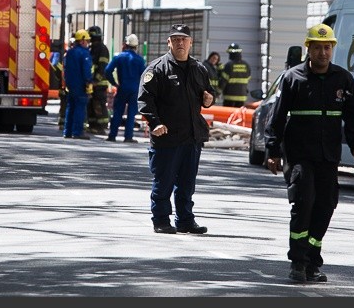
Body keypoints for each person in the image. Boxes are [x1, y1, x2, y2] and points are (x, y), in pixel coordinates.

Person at [265, 23, 354, 283]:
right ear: (308, 48)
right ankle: (298, 262)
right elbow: (276, 117)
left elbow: (353, 116)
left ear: (333, 49)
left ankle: (312, 260)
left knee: (326, 206)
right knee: (304, 202)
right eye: (318, 47)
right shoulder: (293, 78)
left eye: (327, 47)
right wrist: (272, 150)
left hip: (328, 156)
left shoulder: (343, 79)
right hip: (299, 155)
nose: (323, 53)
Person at [138, 24, 215, 234]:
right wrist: (155, 123)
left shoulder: (199, 69)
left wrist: (209, 99)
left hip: (191, 137)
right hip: (167, 137)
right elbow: (145, 100)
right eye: (176, 39)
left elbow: (208, 93)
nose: (180, 43)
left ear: (191, 42)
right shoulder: (157, 69)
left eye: (184, 39)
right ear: (169, 42)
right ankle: (161, 220)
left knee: (187, 184)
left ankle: (185, 220)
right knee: (164, 182)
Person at [105, 33, 147, 143]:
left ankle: (112, 136)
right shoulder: (139, 60)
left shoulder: (119, 57)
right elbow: (144, 76)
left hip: (122, 88)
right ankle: (128, 137)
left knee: (118, 112)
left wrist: (114, 83)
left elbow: (108, 71)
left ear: (125, 44)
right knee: (131, 114)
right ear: (136, 46)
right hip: (134, 90)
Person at [63, 29, 93, 140]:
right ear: (82, 41)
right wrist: (89, 82)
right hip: (80, 85)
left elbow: (65, 69)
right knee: (80, 108)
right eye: (87, 41)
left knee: (70, 108)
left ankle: (67, 132)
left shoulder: (69, 52)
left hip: (70, 84)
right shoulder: (84, 53)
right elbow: (86, 70)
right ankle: (77, 132)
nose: (88, 43)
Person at [86, 25, 111, 135]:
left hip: (99, 84)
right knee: (91, 105)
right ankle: (92, 126)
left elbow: (102, 66)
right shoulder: (91, 49)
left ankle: (100, 127)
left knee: (98, 105)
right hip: (92, 83)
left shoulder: (102, 49)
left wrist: (96, 80)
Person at [218, 42, 252, 107]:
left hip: (229, 97)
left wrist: (217, 92)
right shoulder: (246, 65)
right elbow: (248, 79)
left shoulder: (229, 65)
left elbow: (223, 81)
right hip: (242, 97)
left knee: (228, 116)